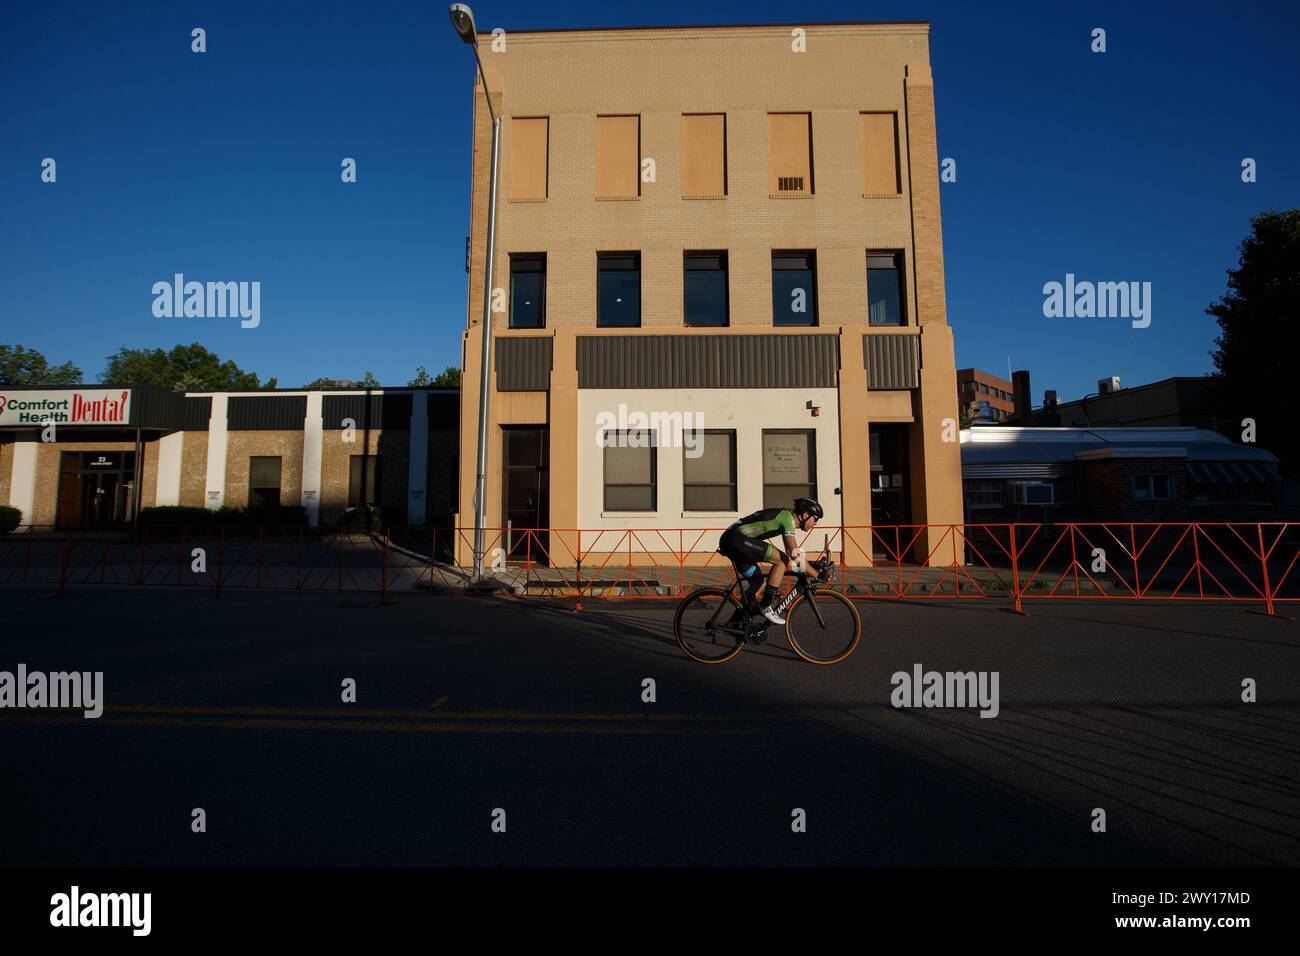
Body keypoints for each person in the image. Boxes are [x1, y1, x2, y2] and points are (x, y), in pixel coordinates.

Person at [718, 497, 823, 625]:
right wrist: (816, 575)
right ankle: (766, 605)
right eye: (816, 519)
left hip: (733, 541)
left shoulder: (785, 517)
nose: (816, 523)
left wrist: (810, 565)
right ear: (805, 515)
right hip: (737, 539)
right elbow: (792, 552)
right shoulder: (787, 518)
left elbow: (794, 554)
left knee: (759, 583)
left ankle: (735, 622)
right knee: (782, 560)